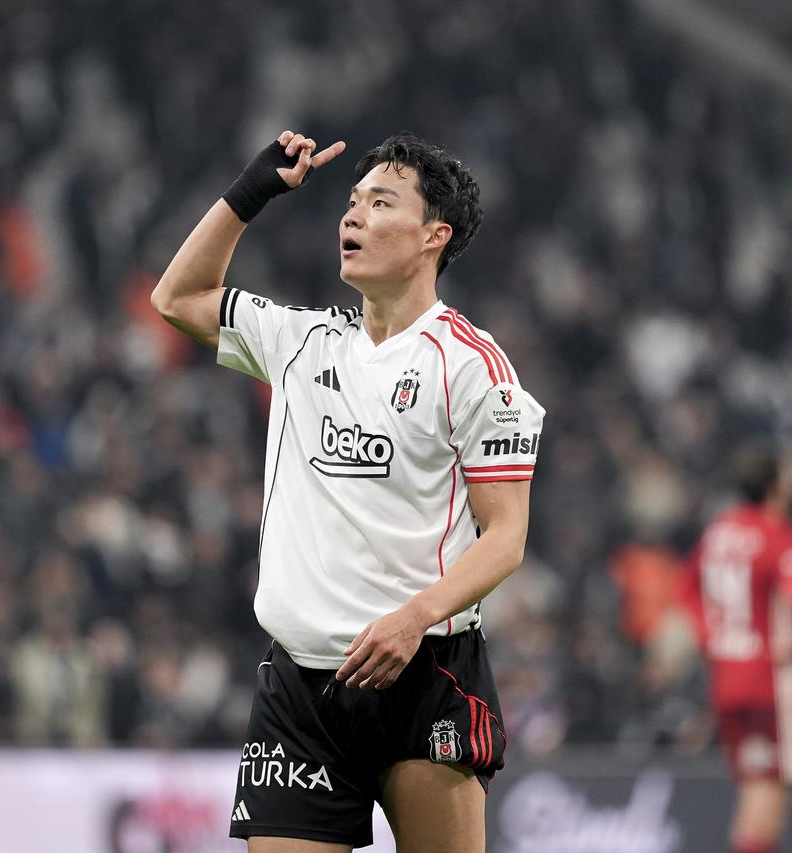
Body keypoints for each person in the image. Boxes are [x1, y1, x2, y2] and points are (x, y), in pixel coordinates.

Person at [151, 130, 544, 851]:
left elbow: (507, 537)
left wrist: (412, 618)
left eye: (380, 202)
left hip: (425, 673)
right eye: (352, 202)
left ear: (435, 236)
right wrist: (252, 191)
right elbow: (176, 297)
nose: (351, 217)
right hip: (301, 689)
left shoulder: (474, 367)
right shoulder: (301, 342)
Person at [683, 445, 792, 853]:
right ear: (776, 484)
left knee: (753, 786)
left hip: (726, 675)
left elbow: (688, 589)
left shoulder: (720, 531)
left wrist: (713, 638)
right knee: (770, 787)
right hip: (769, 680)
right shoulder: (782, 536)